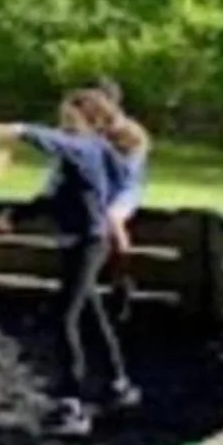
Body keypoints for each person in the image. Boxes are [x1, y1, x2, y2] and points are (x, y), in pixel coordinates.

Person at [0, 89, 143, 439]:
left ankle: (70, 403)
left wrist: (20, 130)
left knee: (65, 317)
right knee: (90, 313)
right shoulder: (74, 158)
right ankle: (117, 385)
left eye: (70, 122)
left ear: (93, 124)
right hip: (76, 244)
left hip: (89, 245)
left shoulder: (87, 148)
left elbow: (60, 144)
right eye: (60, 121)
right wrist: (16, 216)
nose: (63, 128)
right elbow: (52, 198)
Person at [89, 75, 150, 323]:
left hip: (124, 190)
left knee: (113, 219)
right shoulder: (89, 129)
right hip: (99, 188)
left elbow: (129, 174)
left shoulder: (131, 133)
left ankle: (122, 279)